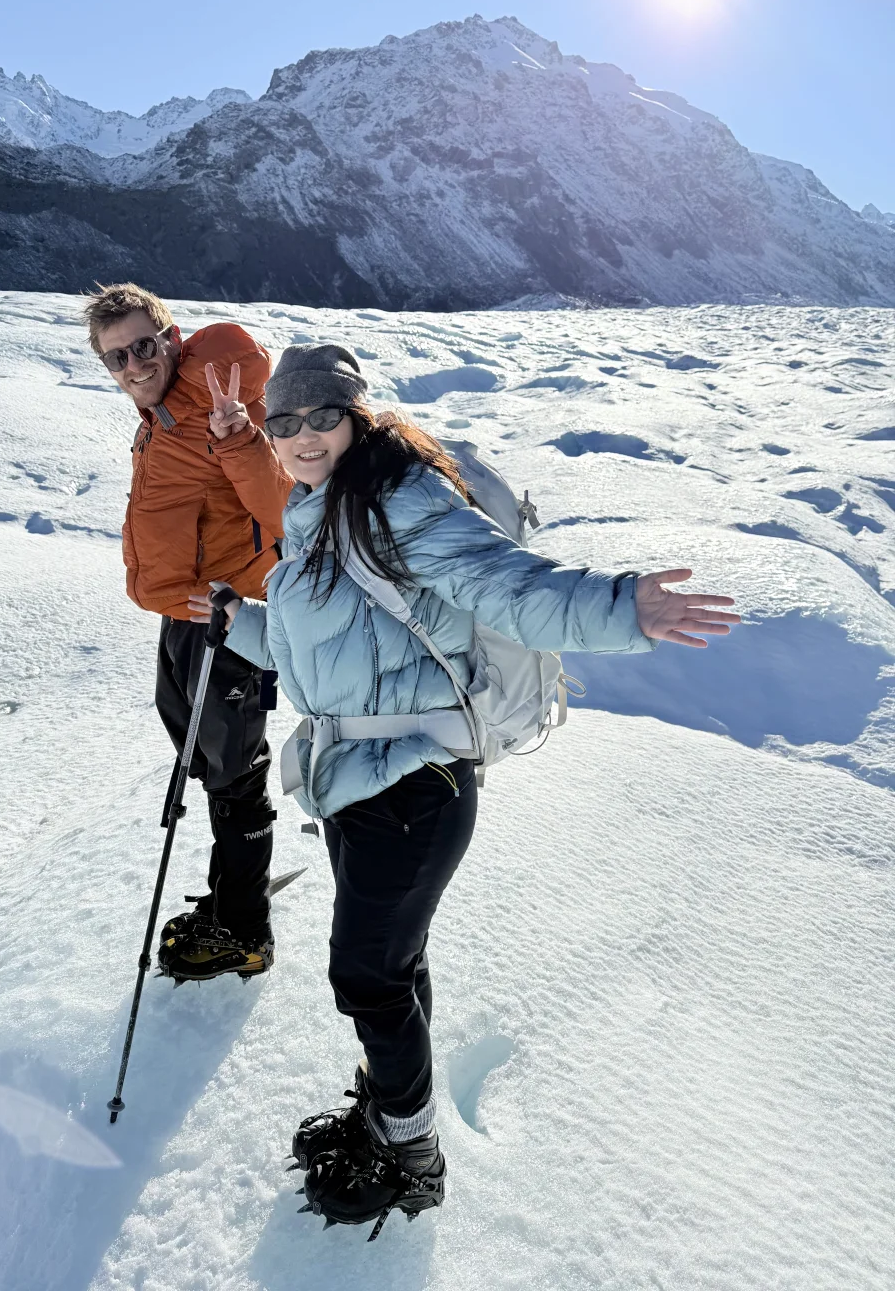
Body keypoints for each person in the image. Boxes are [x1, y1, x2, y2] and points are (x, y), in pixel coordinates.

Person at [189, 343, 740, 1234]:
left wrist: (617, 608)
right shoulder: (316, 511)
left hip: (416, 786)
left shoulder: (398, 498)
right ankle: (385, 1107)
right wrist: (240, 621)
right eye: (281, 421)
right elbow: (316, 666)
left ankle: (412, 1157)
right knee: (391, 965)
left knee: (366, 976)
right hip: (356, 781)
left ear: (356, 416)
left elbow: (505, 585)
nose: (298, 435)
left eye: (320, 415)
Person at [85, 283, 293, 981]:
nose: (133, 366)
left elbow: (284, 505)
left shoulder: (219, 406)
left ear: (171, 340)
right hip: (184, 618)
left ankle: (246, 933)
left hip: (228, 626)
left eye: (144, 347)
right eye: (115, 358)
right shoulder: (163, 413)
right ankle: (233, 895)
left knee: (236, 779)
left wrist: (239, 437)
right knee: (206, 765)